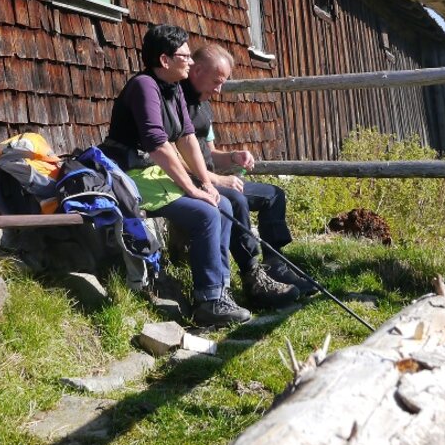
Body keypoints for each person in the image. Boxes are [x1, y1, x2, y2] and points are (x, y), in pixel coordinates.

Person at [100, 25, 251, 327]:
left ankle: (219, 291)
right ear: (164, 60)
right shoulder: (144, 86)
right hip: (128, 172)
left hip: (152, 170)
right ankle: (208, 302)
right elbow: (158, 145)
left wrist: (206, 183)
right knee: (206, 212)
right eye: (185, 56)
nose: (191, 61)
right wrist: (193, 191)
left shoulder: (174, 88)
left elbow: (187, 138)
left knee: (221, 203)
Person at [182, 44, 316, 304]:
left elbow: (210, 153)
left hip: (210, 177)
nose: (219, 89)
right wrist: (217, 179)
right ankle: (251, 275)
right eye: (216, 81)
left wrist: (233, 157)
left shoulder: (204, 105)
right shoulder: (178, 103)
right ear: (196, 71)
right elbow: (174, 159)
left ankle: (275, 265)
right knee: (236, 199)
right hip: (192, 182)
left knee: (273, 195)